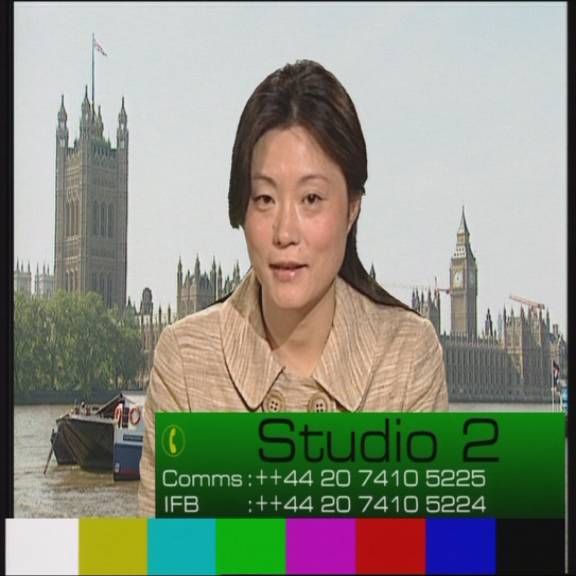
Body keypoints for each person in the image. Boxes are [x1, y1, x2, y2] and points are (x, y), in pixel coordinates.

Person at [138, 59, 448, 516]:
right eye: (264, 198)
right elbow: (166, 551)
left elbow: (425, 549)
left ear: (352, 208)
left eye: (311, 199)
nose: (285, 232)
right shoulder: (185, 361)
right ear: (241, 208)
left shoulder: (407, 356)